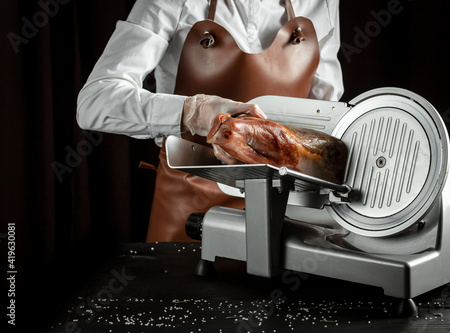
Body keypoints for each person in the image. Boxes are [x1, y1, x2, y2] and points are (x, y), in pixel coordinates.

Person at [77, 0, 343, 242]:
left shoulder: (322, 4)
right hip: (189, 209)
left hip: (287, 214)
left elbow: (325, 117)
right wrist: (195, 112)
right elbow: (95, 102)